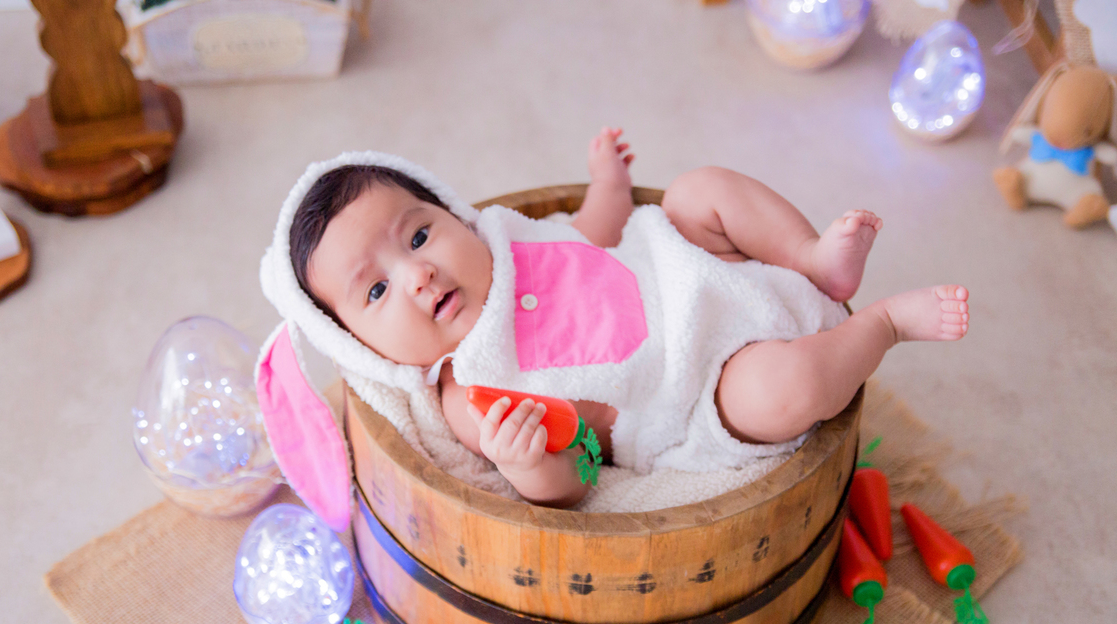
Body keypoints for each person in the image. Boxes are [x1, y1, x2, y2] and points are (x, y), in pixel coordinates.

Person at [286, 129, 969, 507]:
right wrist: (528, 469)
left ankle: (812, 260)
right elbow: (581, 468)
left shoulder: (504, 238)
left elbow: (590, 234)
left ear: (452, 215)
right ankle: (879, 326)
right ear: (360, 346)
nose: (417, 275)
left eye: (417, 237)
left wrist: (608, 187)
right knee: (782, 391)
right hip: (693, 390)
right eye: (375, 293)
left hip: (678, 261)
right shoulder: (473, 389)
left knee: (700, 188)